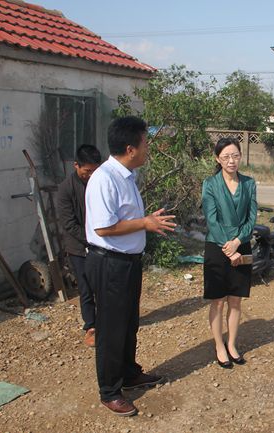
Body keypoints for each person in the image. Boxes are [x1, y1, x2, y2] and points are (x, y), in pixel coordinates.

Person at [84, 116, 176, 416]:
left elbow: (123, 218)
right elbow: (103, 228)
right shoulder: (104, 178)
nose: (148, 148)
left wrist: (145, 222)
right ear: (130, 148)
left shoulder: (126, 175)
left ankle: (128, 373)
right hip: (109, 264)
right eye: (145, 143)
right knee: (111, 329)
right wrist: (145, 223)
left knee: (127, 324)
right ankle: (110, 391)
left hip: (127, 263)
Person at [202, 137, 257, 369]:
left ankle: (232, 343)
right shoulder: (210, 184)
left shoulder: (249, 183)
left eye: (235, 155)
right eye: (226, 157)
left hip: (240, 244)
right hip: (217, 247)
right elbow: (211, 219)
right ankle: (219, 345)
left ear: (240, 156)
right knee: (218, 301)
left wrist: (237, 242)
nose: (231, 161)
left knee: (235, 300)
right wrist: (228, 247)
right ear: (218, 159)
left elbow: (251, 218)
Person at [56, 145, 101, 347]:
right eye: (87, 171)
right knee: (86, 288)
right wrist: (93, 238)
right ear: (76, 165)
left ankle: (107, 321)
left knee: (103, 286)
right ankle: (91, 326)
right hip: (79, 247)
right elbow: (69, 224)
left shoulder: (100, 183)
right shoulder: (66, 189)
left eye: (94, 170)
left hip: (101, 244)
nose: (90, 175)